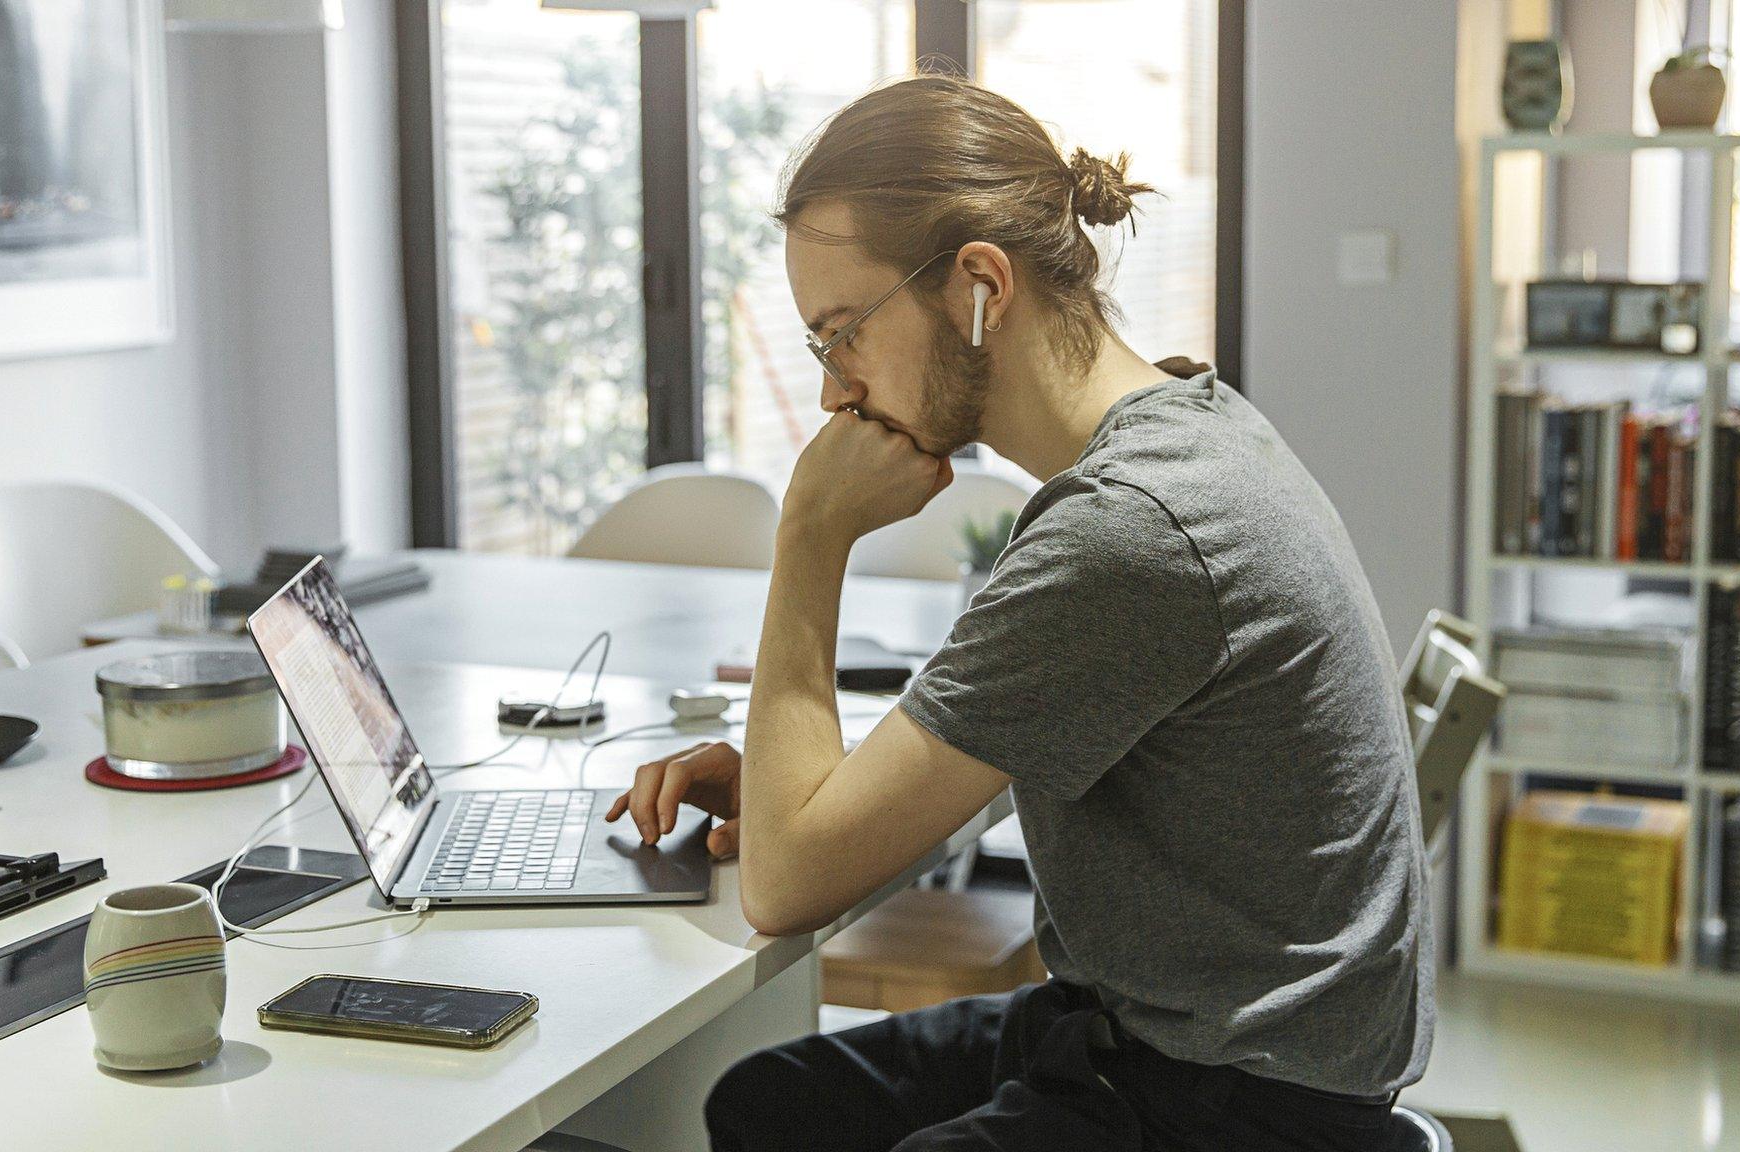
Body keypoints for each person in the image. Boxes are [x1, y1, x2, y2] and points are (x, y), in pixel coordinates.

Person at [603, 74, 1432, 1152]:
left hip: (1233, 1103)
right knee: (765, 1108)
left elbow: (787, 887)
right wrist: (793, 796)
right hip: (1163, 1037)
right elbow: (846, 822)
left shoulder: (1129, 530)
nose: (831, 394)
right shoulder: (1191, 424)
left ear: (977, 286)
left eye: (841, 334)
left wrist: (808, 537)